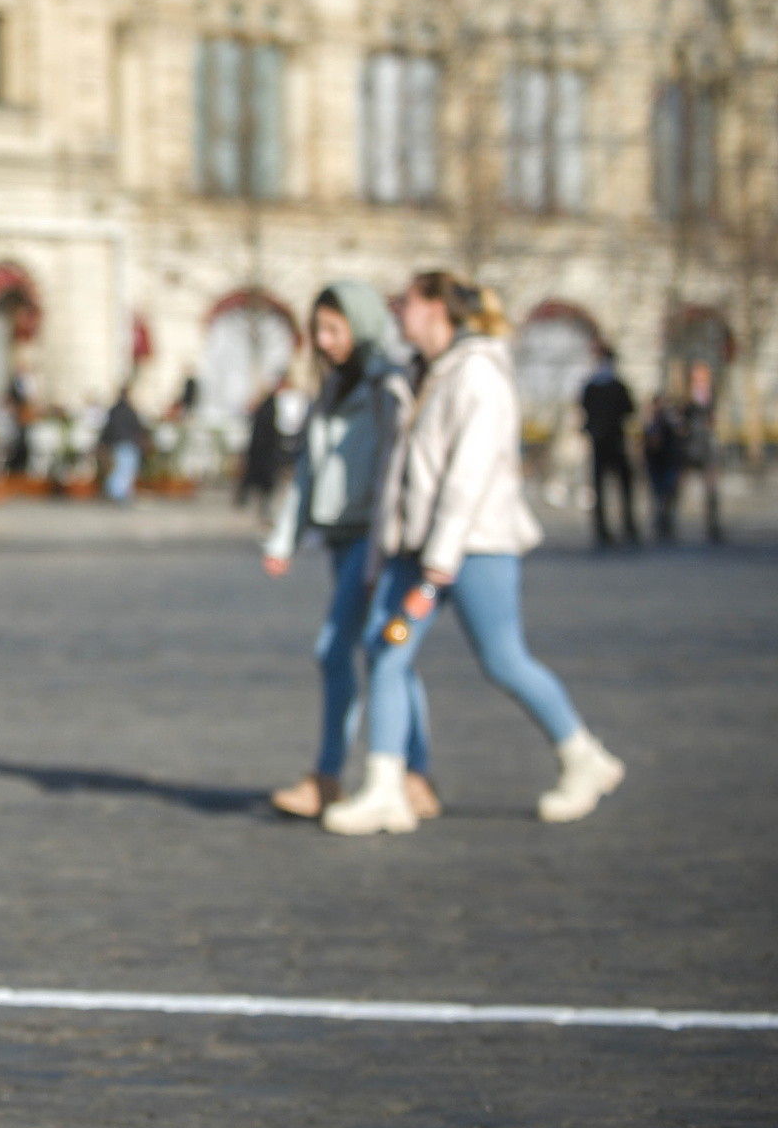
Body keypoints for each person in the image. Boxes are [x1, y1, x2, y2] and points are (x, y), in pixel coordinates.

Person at [325, 272, 626, 835]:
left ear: (439, 308)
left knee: (503, 660)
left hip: (476, 547)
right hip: (416, 548)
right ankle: (387, 787)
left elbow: (469, 476)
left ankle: (584, 757)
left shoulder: (479, 374)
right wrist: (382, 558)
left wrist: (439, 561)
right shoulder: (418, 372)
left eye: (408, 302)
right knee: (385, 650)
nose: (398, 311)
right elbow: (397, 476)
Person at [262, 282, 437, 822]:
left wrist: (402, 534)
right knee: (387, 650)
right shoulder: (332, 386)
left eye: (333, 328)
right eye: (317, 328)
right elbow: (310, 469)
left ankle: (331, 775)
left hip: (374, 534)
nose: (322, 339)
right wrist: (284, 538)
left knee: (339, 648)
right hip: (339, 534)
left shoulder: (387, 385)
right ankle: (414, 774)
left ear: (359, 326)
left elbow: (401, 461)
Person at [580, 346, 639, 548]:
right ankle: (617, 527)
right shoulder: (612, 386)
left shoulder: (595, 387)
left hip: (607, 442)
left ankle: (615, 527)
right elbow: (629, 409)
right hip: (611, 442)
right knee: (615, 487)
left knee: (612, 486)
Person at [679, 362, 723, 544]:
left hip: (707, 448)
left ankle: (713, 525)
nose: (701, 379)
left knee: (711, 489)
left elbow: (714, 421)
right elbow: (684, 419)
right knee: (677, 485)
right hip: (690, 447)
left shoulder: (712, 395)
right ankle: (666, 520)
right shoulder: (688, 397)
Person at [237, 381, 287, 520]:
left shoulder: (267, 405)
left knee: (256, 479)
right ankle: (261, 509)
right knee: (264, 481)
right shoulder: (270, 406)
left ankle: (254, 504)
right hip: (265, 450)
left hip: (261, 449)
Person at [642, 390, 686, 542]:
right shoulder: (651, 422)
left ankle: (665, 524)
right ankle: (661, 524)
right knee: (659, 495)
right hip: (657, 463)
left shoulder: (671, 422)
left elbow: (678, 440)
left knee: (667, 494)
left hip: (668, 462)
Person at [99, 386, 147, 506]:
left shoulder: (114, 410)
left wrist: (105, 442)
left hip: (118, 442)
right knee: (126, 469)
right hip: (129, 442)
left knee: (120, 467)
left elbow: (108, 428)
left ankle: (116, 491)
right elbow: (137, 427)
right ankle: (118, 493)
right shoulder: (130, 411)